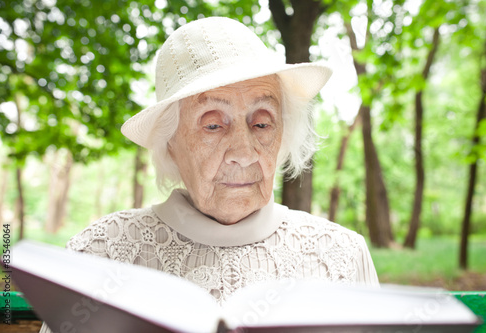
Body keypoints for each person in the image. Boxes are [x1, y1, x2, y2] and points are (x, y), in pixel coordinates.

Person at [40, 16, 378, 333]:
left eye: (262, 123)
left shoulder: (342, 256)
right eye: (213, 125)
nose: (243, 152)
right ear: (170, 143)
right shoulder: (99, 253)